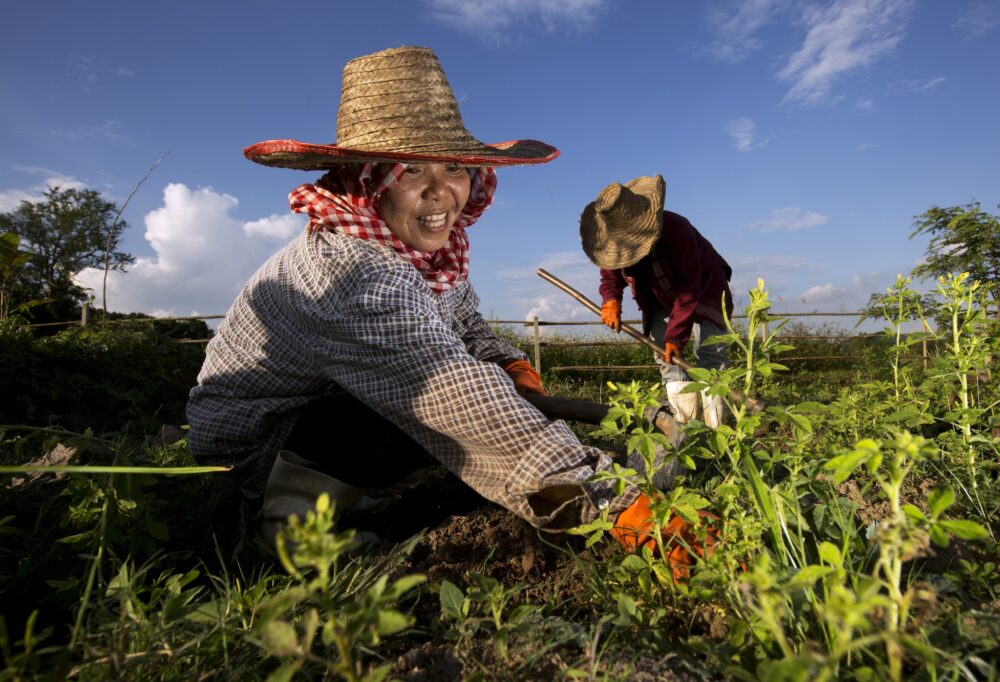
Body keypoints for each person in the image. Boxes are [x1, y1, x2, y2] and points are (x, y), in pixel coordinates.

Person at [186, 46, 710, 576]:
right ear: (367, 180)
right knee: (417, 419)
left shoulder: (432, 257)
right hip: (251, 440)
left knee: (442, 405)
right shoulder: (350, 273)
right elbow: (454, 391)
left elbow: (465, 327)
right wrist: (614, 501)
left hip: (322, 408)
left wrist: (510, 366)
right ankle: (284, 528)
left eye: (455, 167)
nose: (443, 192)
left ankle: (332, 493)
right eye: (412, 170)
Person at [580, 175, 733, 428]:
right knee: (667, 358)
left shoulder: (676, 229)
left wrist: (677, 336)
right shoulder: (611, 243)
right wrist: (611, 301)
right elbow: (609, 276)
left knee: (710, 354)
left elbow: (689, 289)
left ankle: (716, 431)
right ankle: (685, 428)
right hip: (659, 296)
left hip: (705, 289)